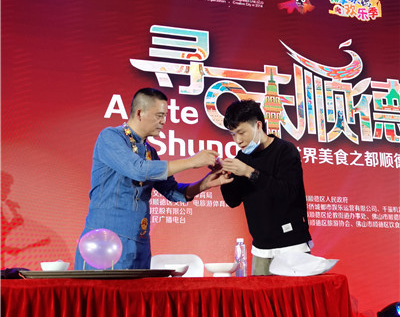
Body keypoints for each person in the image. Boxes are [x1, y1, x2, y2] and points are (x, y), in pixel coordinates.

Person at [74, 87, 231, 270]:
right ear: (139, 113)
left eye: (165, 116)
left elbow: (172, 192)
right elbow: (137, 169)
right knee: (100, 290)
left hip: (139, 242)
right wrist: (191, 161)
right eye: (159, 115)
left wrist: (205, 183)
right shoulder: (111, 137)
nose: (163, 121)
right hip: (104, 241)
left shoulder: (150, 152)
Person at [220, 99, 312, 275]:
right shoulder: (242, 158)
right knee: (260, 293)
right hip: (261, 249)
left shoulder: (285, 150)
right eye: (233, 134)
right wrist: (224, 181)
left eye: (241, 132)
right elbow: (233, 201)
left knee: (295, 293)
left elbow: (289, 193)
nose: (238, 140)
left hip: (292, 246)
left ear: (258, 125)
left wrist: (250, 172)